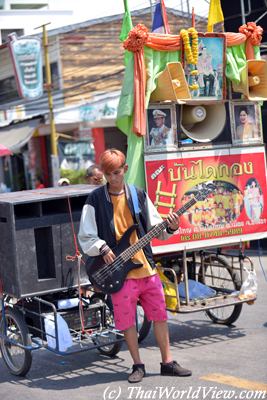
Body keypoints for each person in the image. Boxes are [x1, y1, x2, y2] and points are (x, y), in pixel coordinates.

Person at [78, 149, 192, 383]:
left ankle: (167, 362)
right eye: (108, 174)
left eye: (117, 173)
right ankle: (137, 365)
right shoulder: (95, 200)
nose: (113, 178)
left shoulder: (138, 195)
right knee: (127, 320)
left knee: (159, 315)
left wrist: (171, 227)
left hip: (145, 267)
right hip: (118, 272)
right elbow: (85, 236)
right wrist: (102, 247)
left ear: (126, 170)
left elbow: (157, 229)